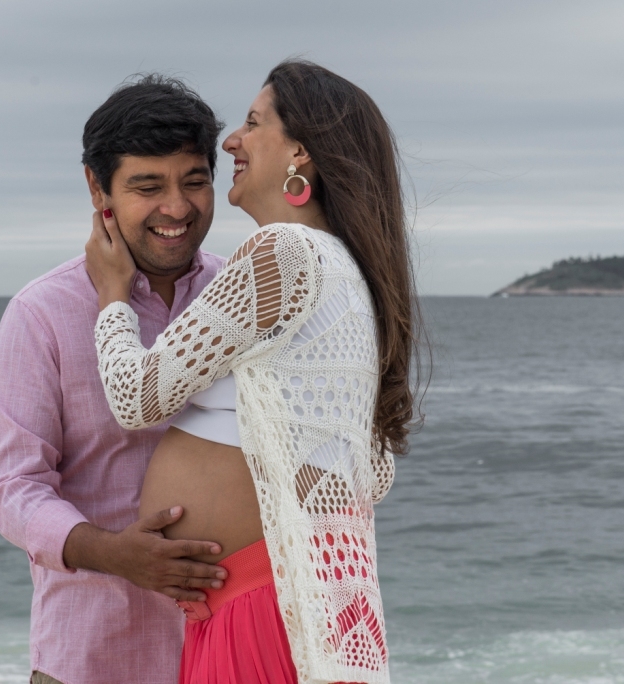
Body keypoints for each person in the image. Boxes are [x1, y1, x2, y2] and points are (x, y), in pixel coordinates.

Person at [84, 59, 418, 684]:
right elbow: (364, 468)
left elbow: (137, 396)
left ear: (301, 151)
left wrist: (112, 297)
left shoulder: (285, 252)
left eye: (252, 122)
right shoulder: (344, 271)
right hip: (259, 594)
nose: (230, 141)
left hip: (259, 604)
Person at [0, 75, 234, 684]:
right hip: (93, 656)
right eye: (147, 186)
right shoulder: (41, 313)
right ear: (98, 188)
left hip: (232, 651)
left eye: (194, 182)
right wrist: (113, 553)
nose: (176, 208)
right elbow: (13, 490)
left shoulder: (241, 295)